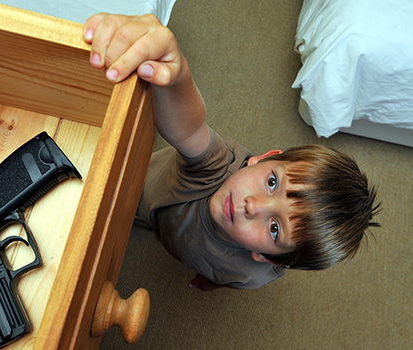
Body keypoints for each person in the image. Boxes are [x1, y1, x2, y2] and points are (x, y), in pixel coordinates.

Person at [83, 13, 381, 291]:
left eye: (275, 229)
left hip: (175, 234)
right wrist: (177, 75)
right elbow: (189, 129)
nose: (254, 206)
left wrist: (210, 280)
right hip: (144, 182)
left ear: (267, 258)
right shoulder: (219, 166)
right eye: (272, 183)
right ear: (264, 158)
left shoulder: (252, 275)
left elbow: (230, 278)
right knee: (122, 203)